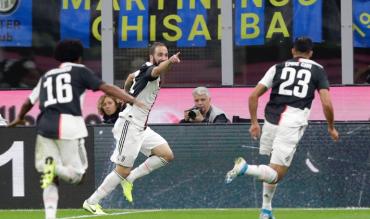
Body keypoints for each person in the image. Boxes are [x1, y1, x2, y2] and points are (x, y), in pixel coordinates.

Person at [8, 39, 142, 219]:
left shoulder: (48, 75)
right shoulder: (80, 71)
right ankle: (54, 167)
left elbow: (28, 102)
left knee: (50, 178)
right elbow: (106, 87)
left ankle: (50, 215)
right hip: (70, 126)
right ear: (79, 57)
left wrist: (19, 118)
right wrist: (132, 100)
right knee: (78, 176)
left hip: (45, 126)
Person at [224, 37, 339, 219]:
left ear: (293, 50)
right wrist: (331, 127)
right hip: (291, 123)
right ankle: (244, 168)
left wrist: (254, 123)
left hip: (270, 121)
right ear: (310, 53)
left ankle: (266, 210)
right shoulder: (317, 69)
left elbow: (253, 96)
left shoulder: (277, 67)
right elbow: (327, 104)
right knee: (277, 174)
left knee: (271, 168)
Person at [83, 42, 181, 215]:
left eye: (166, 55)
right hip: (130, 124)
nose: (163, 58)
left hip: (141, 127)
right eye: (160, 55)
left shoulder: (142, 69)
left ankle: (130, 179)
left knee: (166, 155)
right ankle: (92, 202)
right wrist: (171, 61)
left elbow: (129, 77)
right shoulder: (152, 70)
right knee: (122, 169)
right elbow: (157, 71)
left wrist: (126, 95)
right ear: (152, 57)